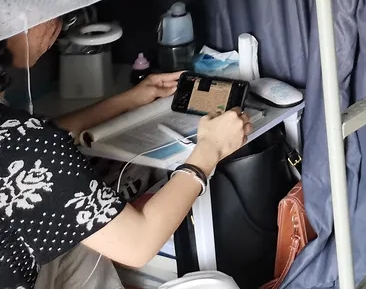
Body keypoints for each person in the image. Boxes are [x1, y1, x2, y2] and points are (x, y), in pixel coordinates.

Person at [0, 19, 250, 289]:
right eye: (52, 16)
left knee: (81, 241)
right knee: (218, 284)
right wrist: (209, 150)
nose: (57, 26)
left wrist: (129, 100)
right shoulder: (27, 144)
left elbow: (41, 136)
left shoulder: (17, 133)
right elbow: (138, 244)